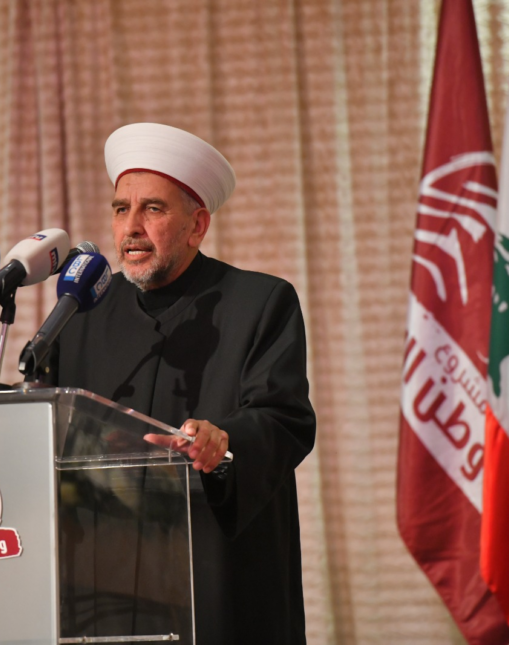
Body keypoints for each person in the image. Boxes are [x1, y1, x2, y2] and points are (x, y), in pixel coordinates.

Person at [46, 122, 316, 644]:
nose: (131, 228)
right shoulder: (81, 315)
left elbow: (285, 419)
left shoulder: (260, 303)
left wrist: (225, 441)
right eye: (121, 209)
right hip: (104, 583)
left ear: (197, 226)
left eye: (153, 209)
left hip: (215, 575)